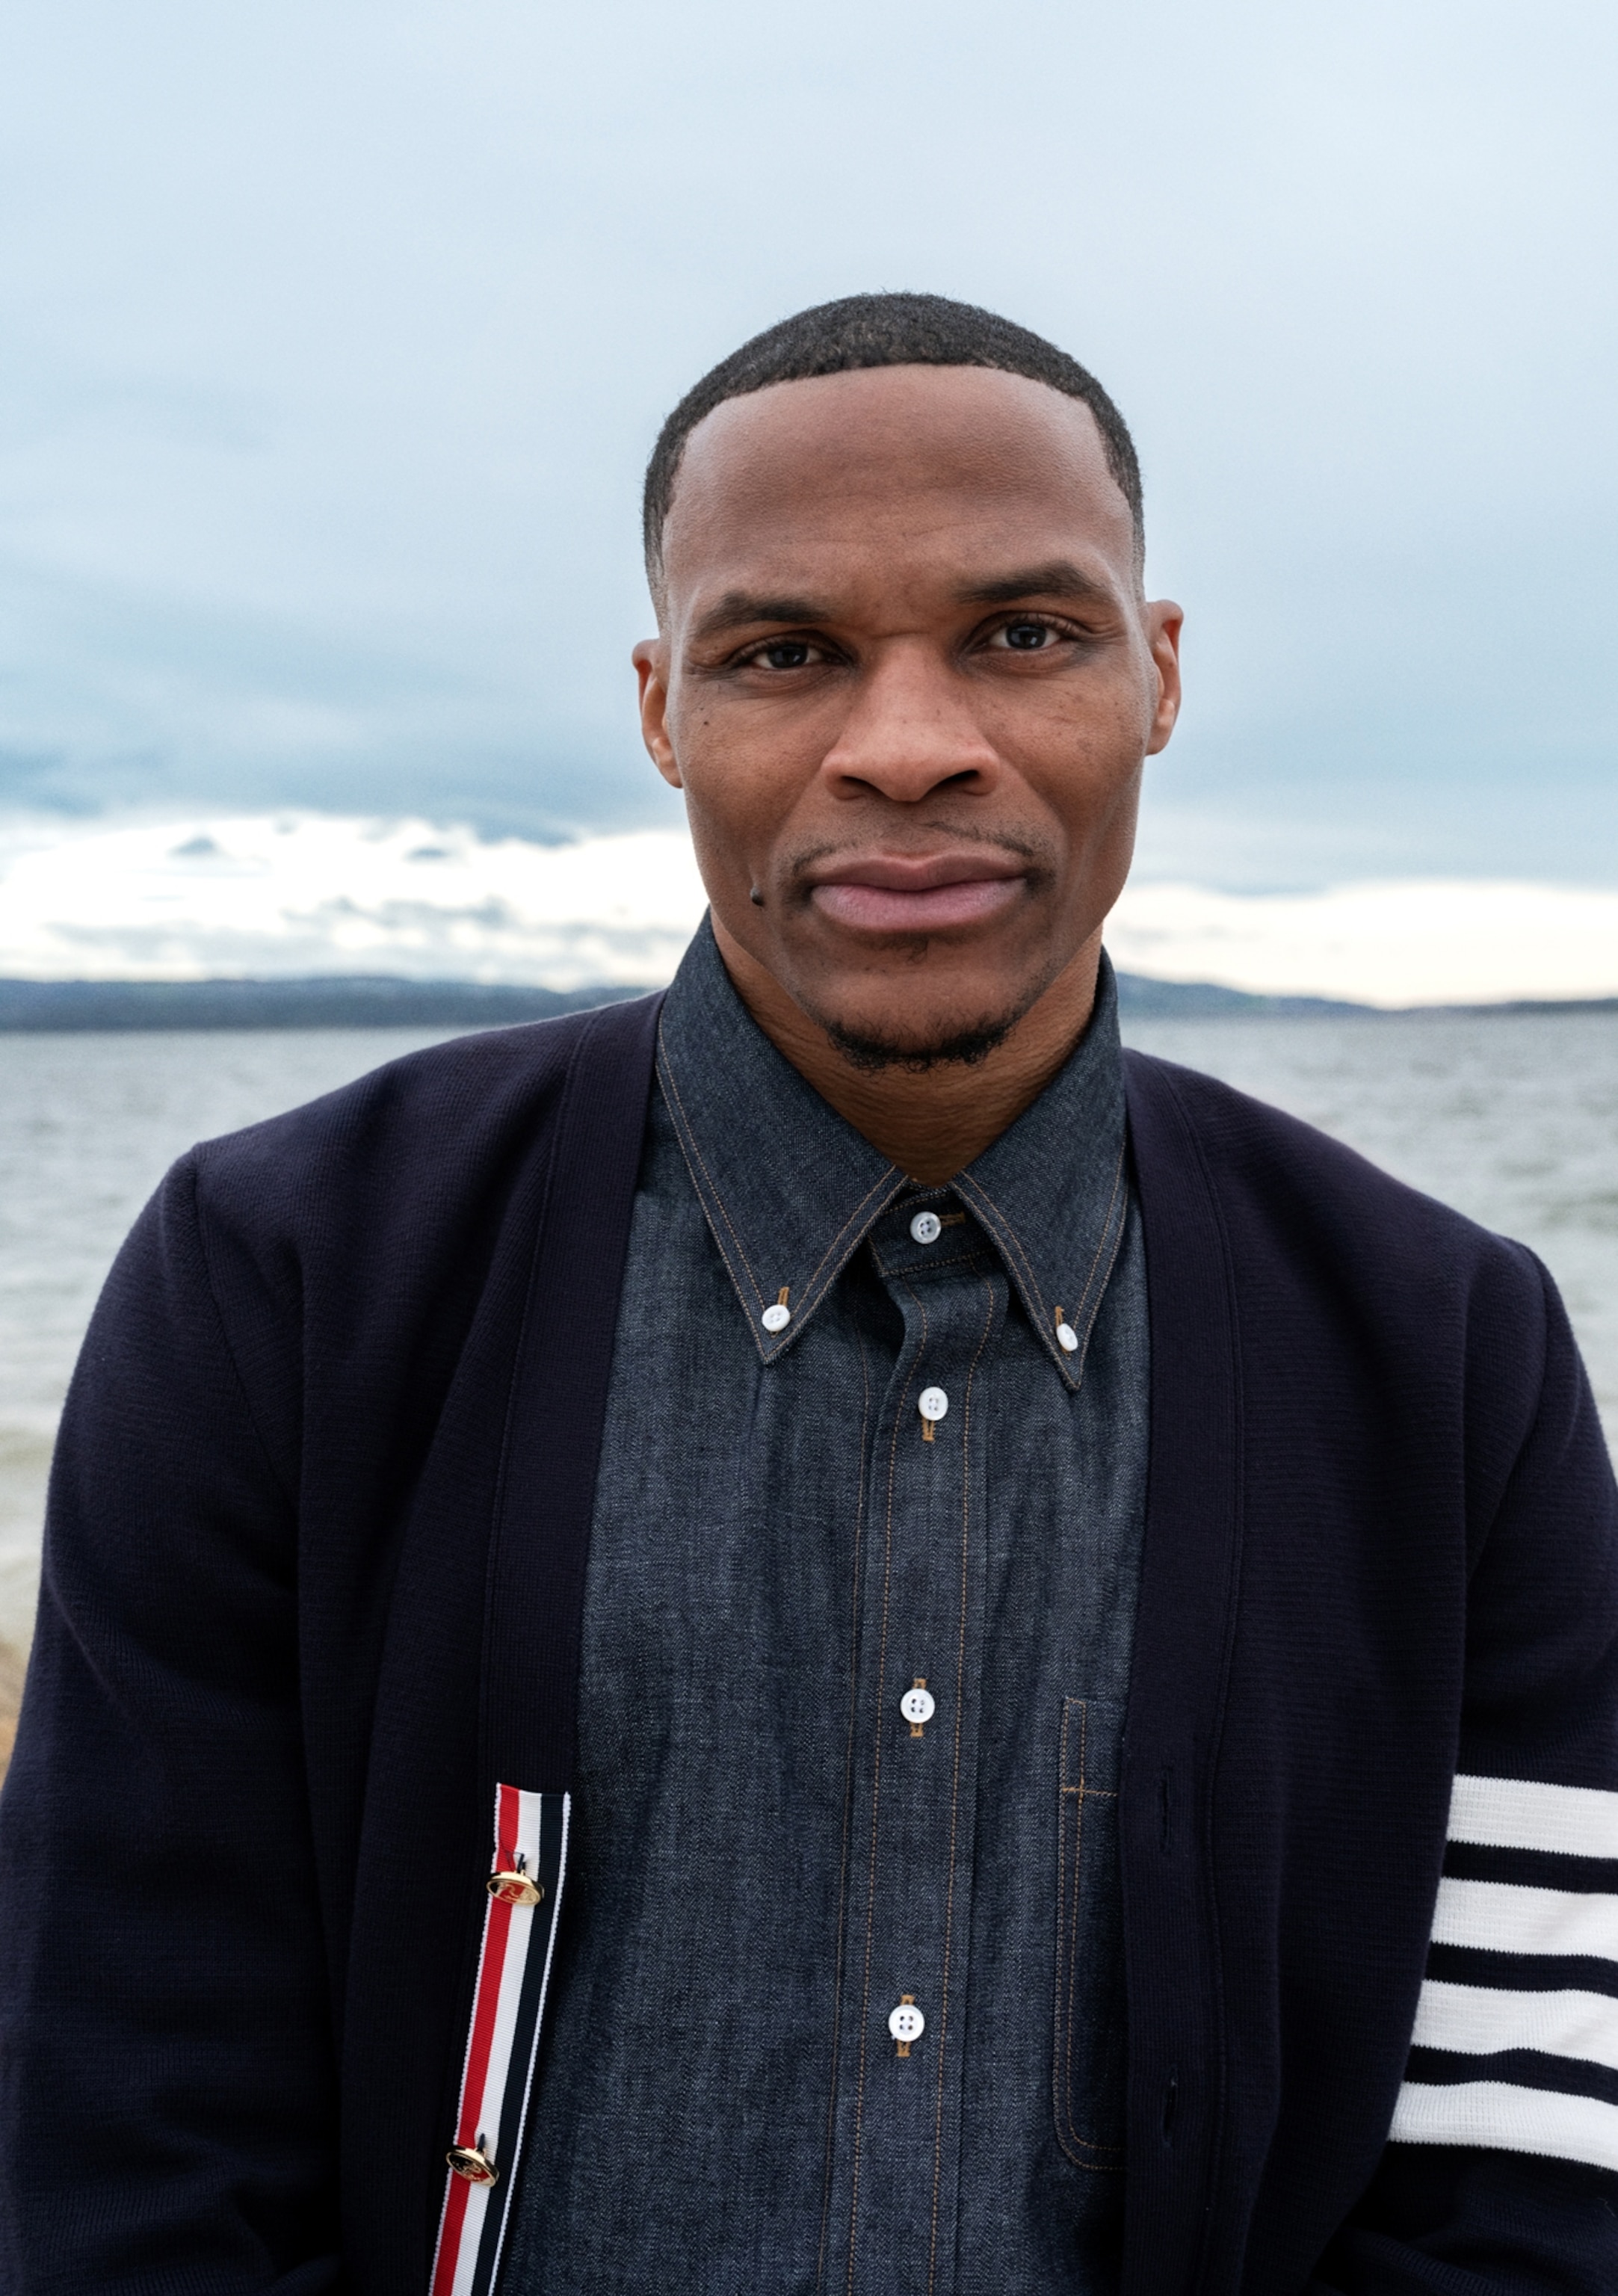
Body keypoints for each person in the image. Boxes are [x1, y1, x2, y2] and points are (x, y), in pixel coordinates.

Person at [1, 293, 1615, 2296]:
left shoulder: (1445, 1357)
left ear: (1160, 672)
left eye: (1025, 633)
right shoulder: (292, 1285)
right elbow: (125, 2125)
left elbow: (1531, 2143)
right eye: (787, 654)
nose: (912, 746)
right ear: (665, 706)